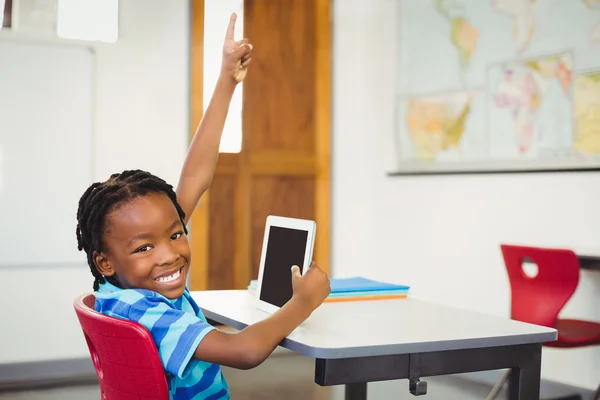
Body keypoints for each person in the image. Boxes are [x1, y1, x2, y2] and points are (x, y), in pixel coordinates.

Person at [75, 13, 331, 400]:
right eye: (144, 247)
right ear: (104, 261)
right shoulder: (148, 312)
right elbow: (245, 351)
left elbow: (195, 178)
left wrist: (227, 79)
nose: (169, 255)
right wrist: (302, 303)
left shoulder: (122, 292)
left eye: (176, 234)